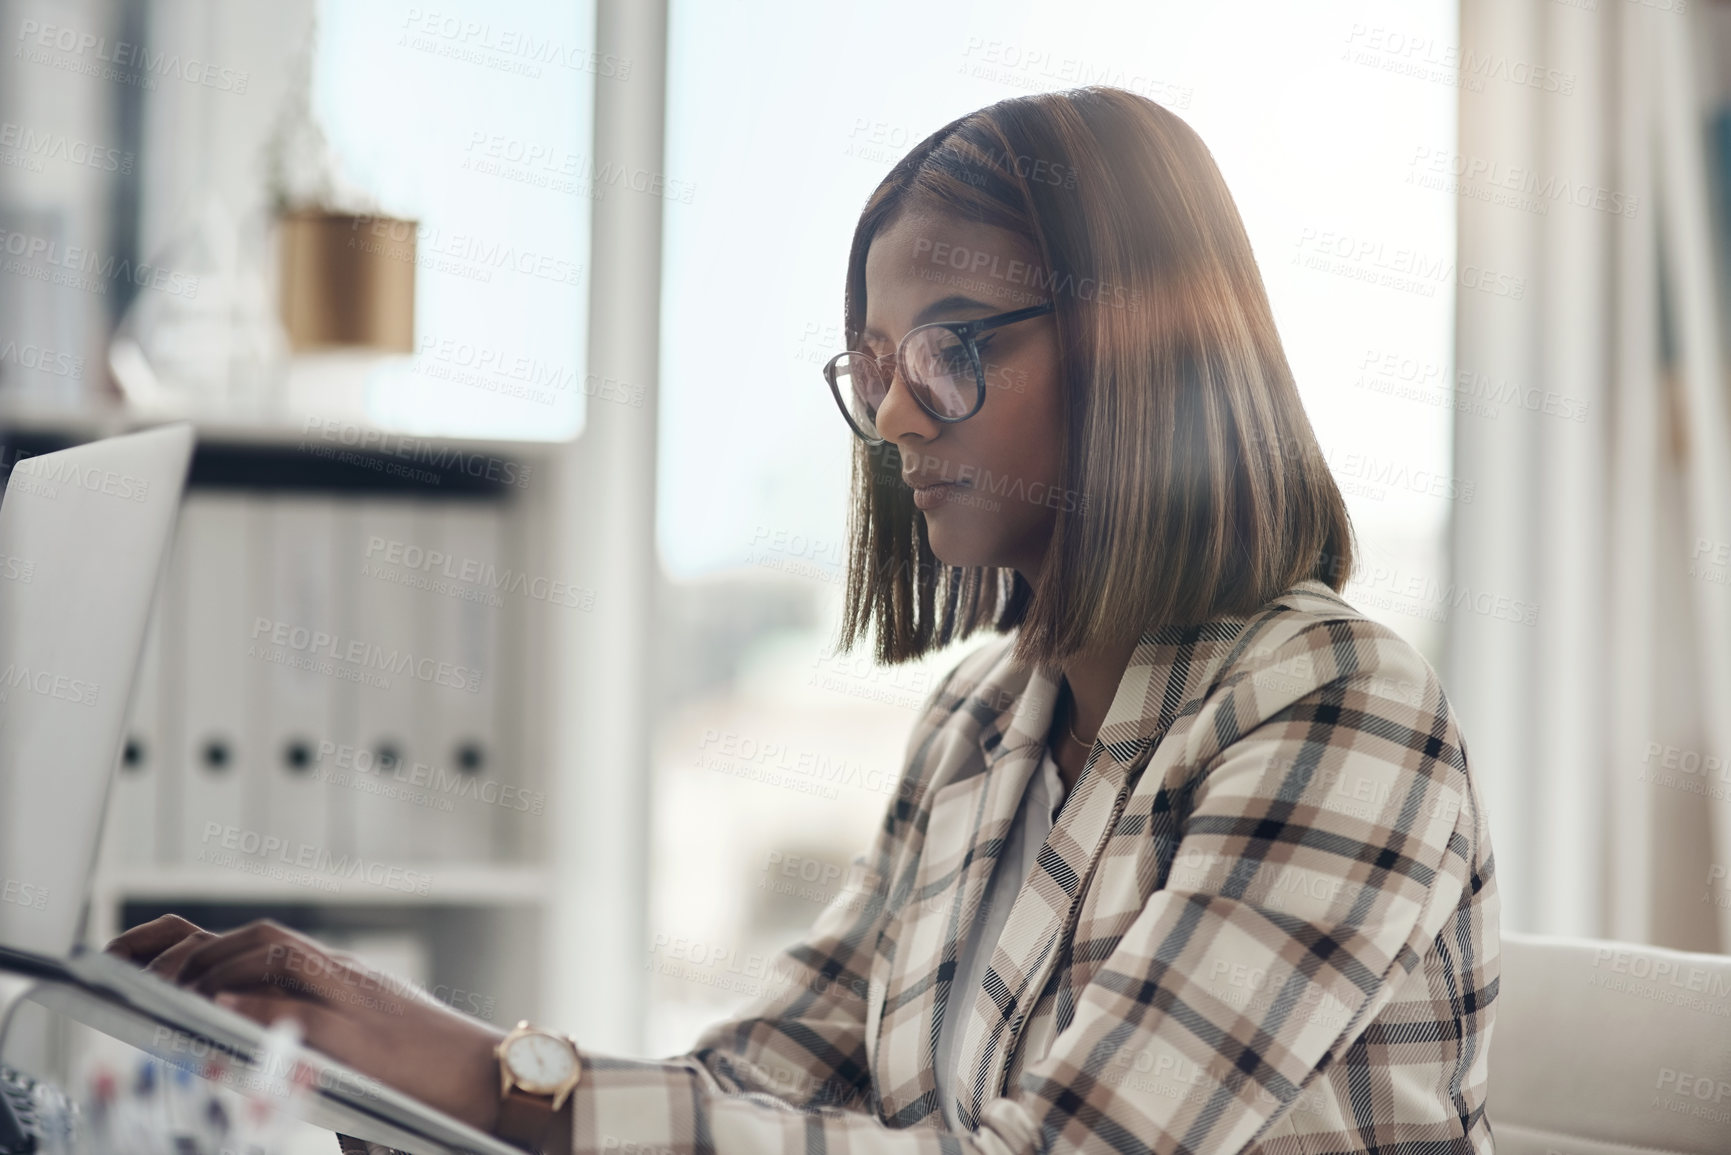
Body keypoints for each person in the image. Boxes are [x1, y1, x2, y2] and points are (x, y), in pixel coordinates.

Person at [109, 86, 1499, 1154]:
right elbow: (758, 1085)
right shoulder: (981, 725)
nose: (894, 418)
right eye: (877, 367)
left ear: (1147, 345)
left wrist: (497, 1077)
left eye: (954, 348)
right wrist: (382, 1051)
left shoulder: (1332, 705)